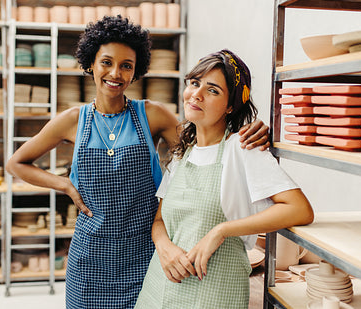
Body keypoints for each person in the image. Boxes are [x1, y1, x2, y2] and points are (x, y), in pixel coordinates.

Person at [5, 16, 270, 308]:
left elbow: (206, 144)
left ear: (135, 72)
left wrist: (248, 130)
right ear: (91, 63)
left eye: (126, 66)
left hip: (144, 253)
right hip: (89, 257)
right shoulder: (72, 121)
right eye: (106, 62)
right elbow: (17, 163)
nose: (115, 73)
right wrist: (65, 185)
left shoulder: (152, 115)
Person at [134, 49, 314, 308]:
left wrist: (221, 231)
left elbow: (300, 209)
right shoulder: (183, 153)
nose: (197, 94)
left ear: (231, 106)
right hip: (161, 285)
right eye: (195, 83)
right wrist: (164, 247)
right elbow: (160, 219)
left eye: (213, 90)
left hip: (214, 292)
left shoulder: (242, 149)